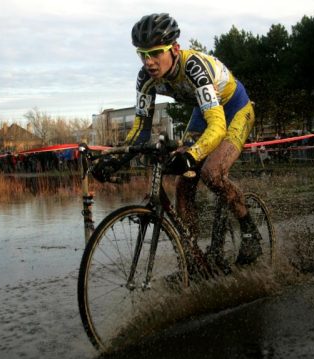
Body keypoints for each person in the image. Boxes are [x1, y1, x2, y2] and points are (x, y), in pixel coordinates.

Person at [92, 13, 261, 269]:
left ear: (175, 49)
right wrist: (115, 158)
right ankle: (193, 260)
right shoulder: (145, 79)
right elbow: (140, 130)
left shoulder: (193, 67)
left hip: (235, 109)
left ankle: (249, 229)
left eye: (156, 53)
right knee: (185, 184)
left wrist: (191, 155)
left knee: (212, 173)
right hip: (203, 111)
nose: (149, 61)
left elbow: (218, 127)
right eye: (142, 54)